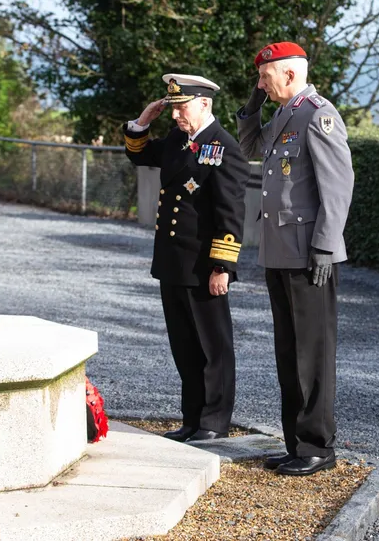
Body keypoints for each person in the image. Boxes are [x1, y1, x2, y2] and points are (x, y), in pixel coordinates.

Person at [237, 41, 354, 476]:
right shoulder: (285, 114)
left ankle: (318, 447)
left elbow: (338, 186)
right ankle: (297, 442)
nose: (261, 83)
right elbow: (249, 146)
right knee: (289, 352)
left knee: (312, 354)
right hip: (280, 252)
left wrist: (325, 244)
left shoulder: (318, 114)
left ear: (289, 75)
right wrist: (253, 104)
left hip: (309, 253)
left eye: (265, 77)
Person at [124, 73, 249, 443]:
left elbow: (230, 212)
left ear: (204, 103)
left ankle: (214, 422)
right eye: (174, 108)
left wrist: (222, 267)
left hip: (203, 265)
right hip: (173, 262)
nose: (176, 115)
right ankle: (192, 419)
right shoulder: (180, 140)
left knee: (213, 348)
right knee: (185, 347)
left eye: (182, 107)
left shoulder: (224, 146)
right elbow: (141, 154)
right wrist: (143, 122)